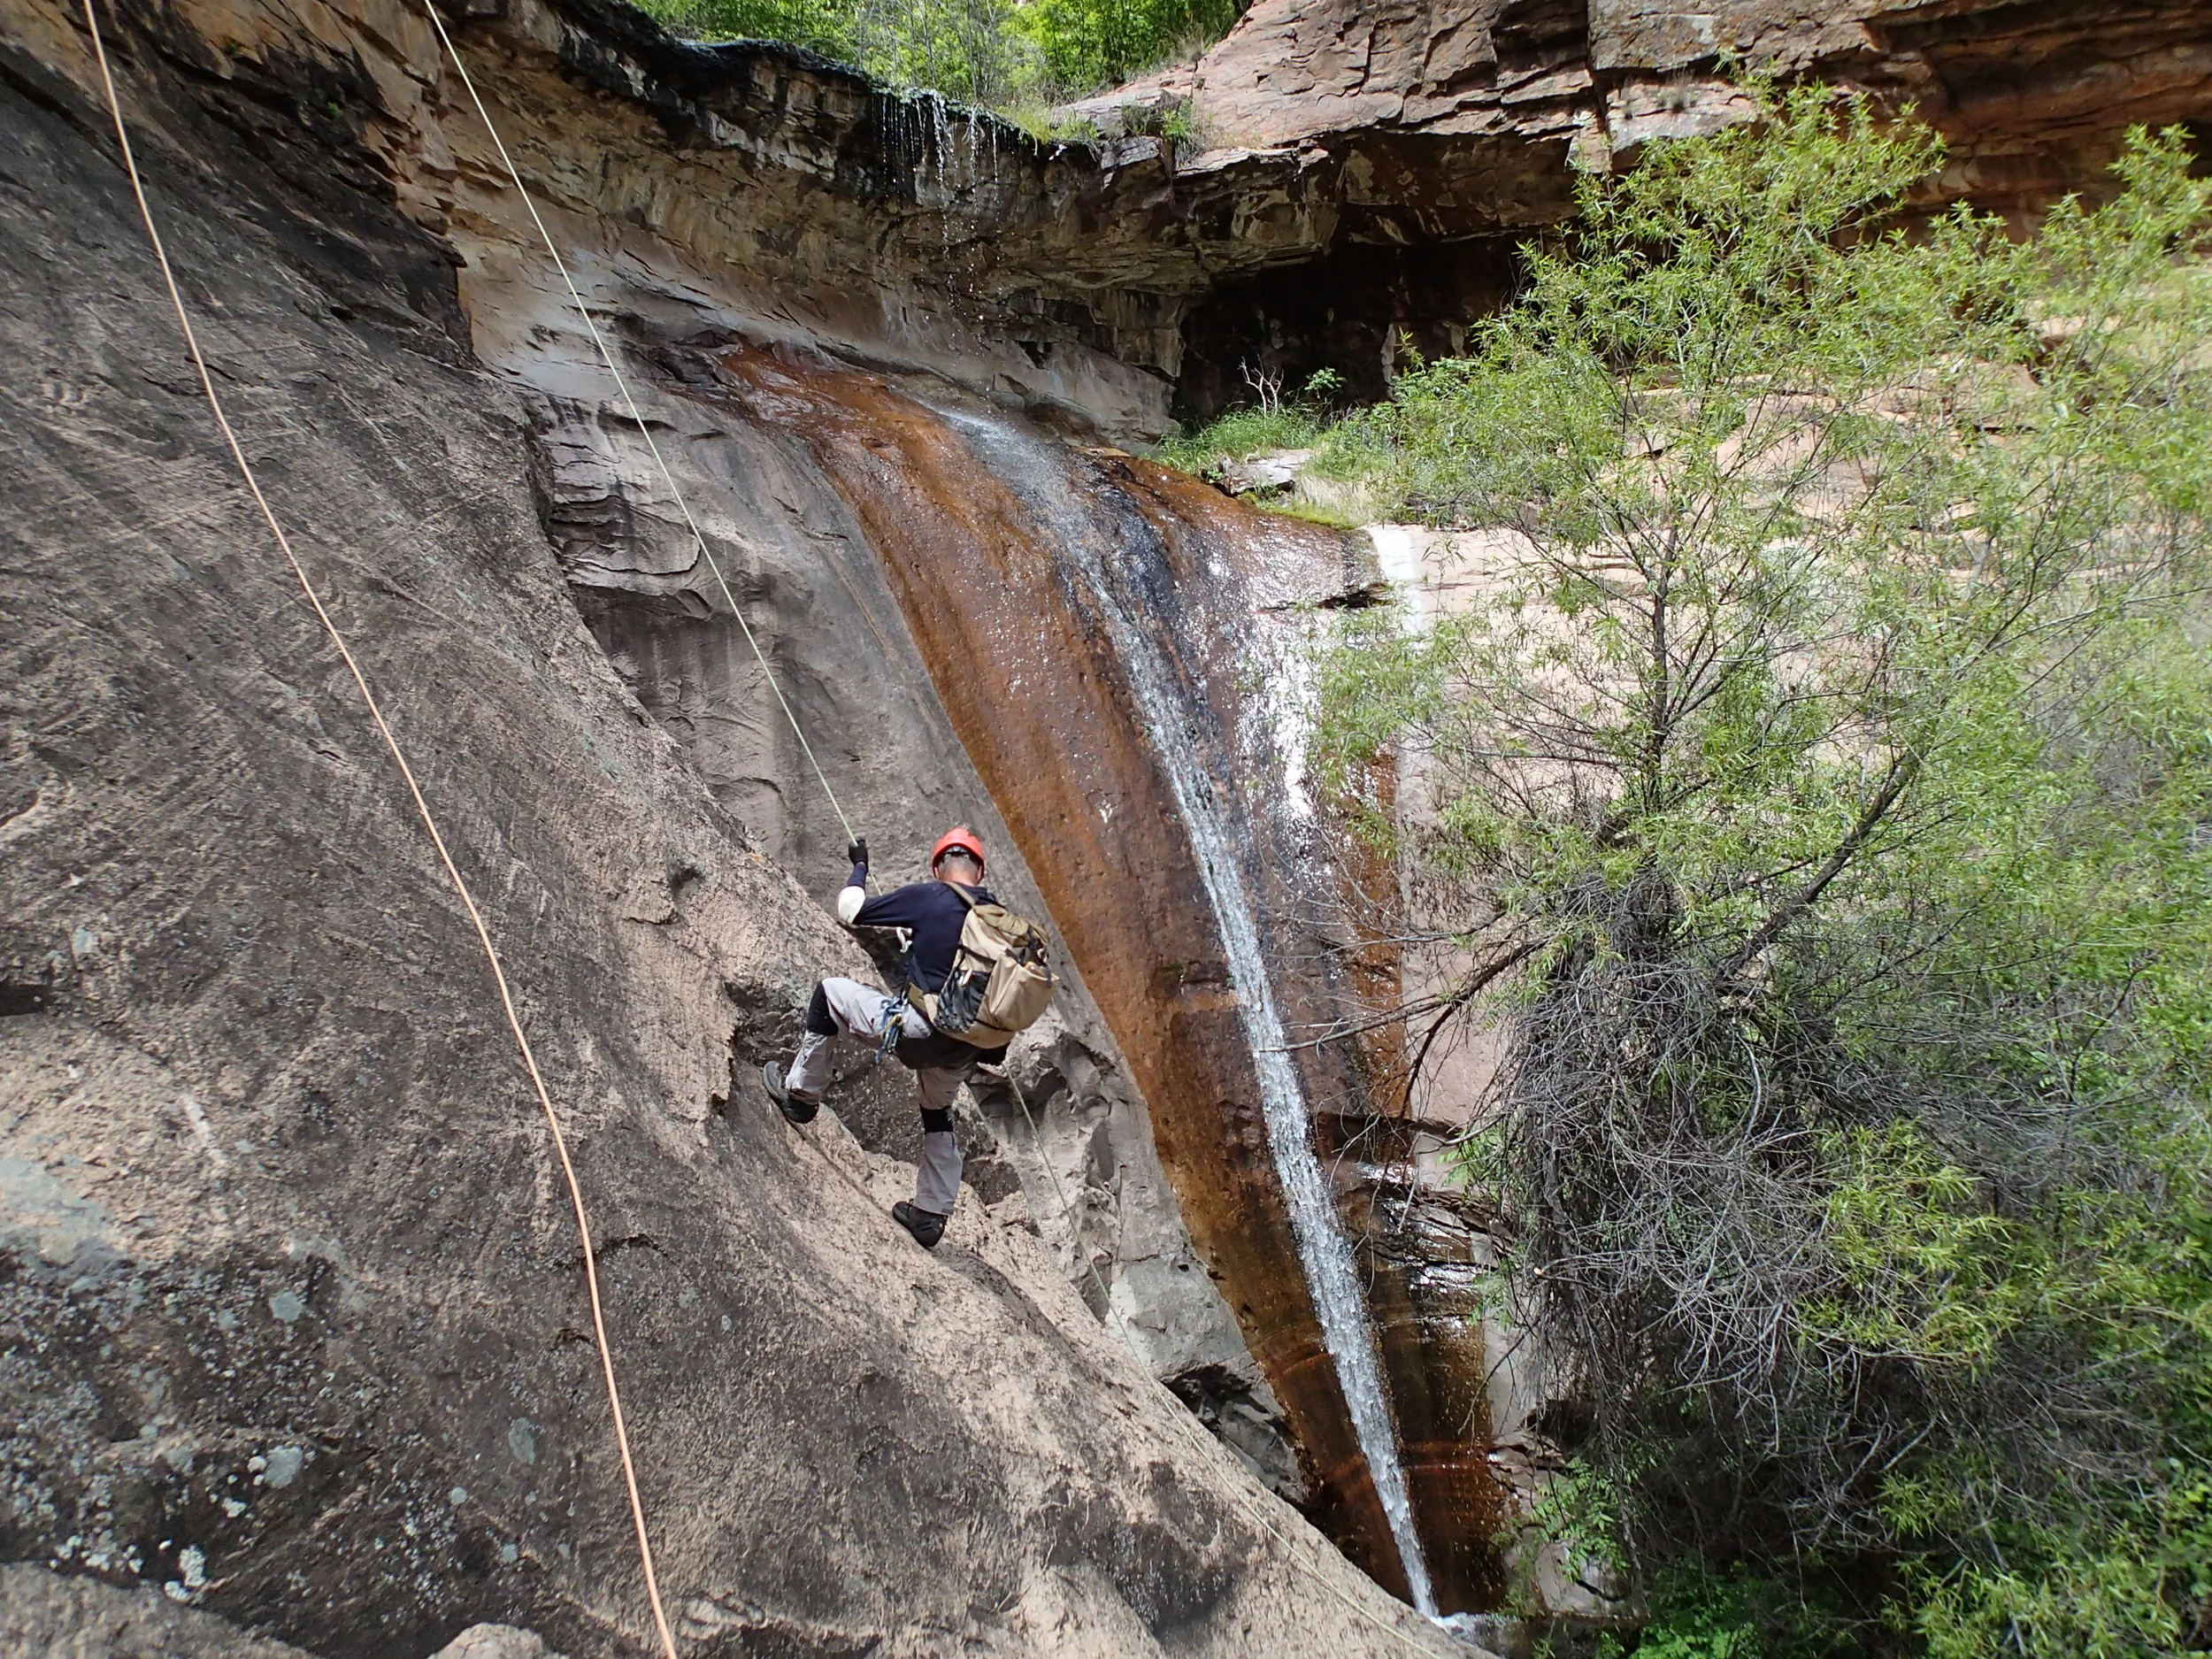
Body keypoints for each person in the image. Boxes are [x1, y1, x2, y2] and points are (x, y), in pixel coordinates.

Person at [762, 826, 1010, 1248]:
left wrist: (860, 865)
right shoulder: (1001, 923)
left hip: (916, 1030)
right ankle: (930, 1215)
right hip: (964, 1048)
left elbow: (850, 909)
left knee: (829, 995)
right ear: (980, 872)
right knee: (937, 1110)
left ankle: (800, 1097)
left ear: (938, 867)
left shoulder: (931, 897)